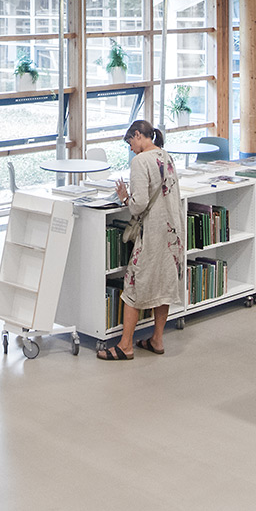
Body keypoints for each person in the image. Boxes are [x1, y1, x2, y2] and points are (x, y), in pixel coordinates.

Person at [97, 119, 186, 361]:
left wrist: (125, 197)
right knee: (164, 284)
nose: (131, 148)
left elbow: (139, 205)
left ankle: (125, 345)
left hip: (152, 233)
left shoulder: (140, 161)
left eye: (130, 143)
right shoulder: (166, 156)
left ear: (138, 135)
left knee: (133, 285)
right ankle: (157, 339)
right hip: (173, 232)